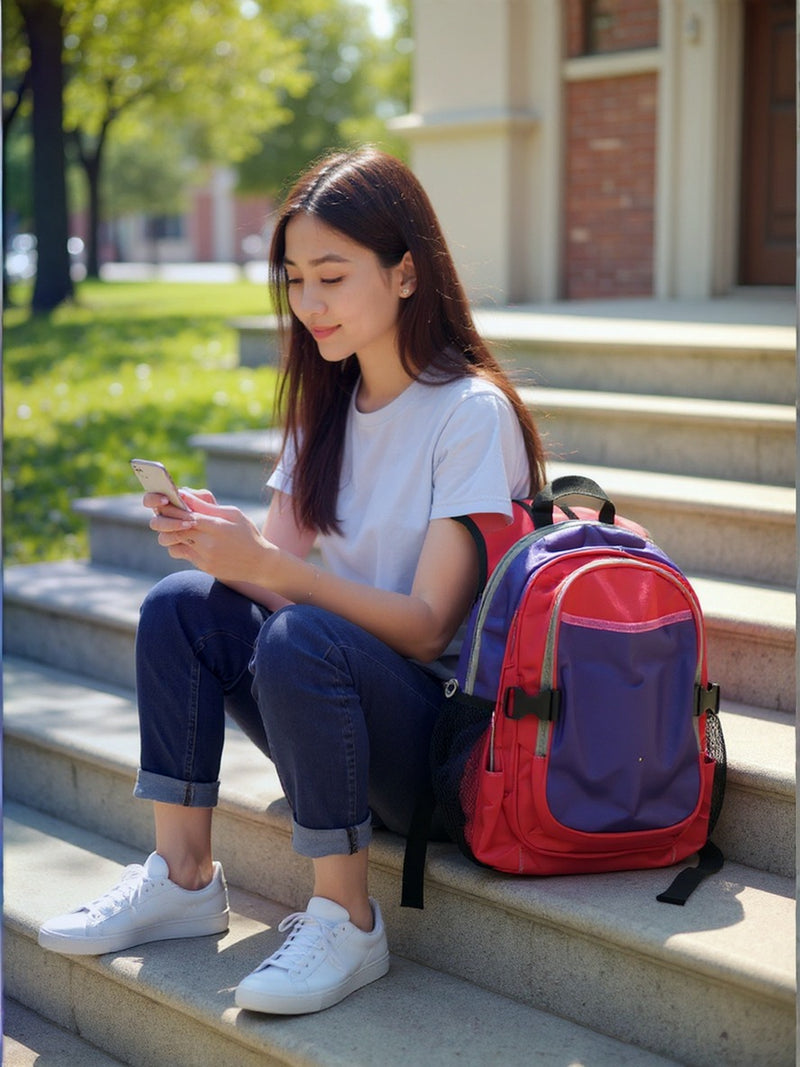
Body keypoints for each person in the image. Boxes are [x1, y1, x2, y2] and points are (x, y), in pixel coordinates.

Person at [38, 147, 546, 1015]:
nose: (309, 304)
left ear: (406, 272)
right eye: (295, 278)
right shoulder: (328, 406)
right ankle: (185, 876)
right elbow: (270, 586)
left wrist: (272, 571)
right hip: (328, 716)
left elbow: (428, 628)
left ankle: (347, 918)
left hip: (432, 744)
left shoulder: (469, 411)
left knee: (303, 634)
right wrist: (224, 550)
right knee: (180, 606)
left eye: (333, 277)